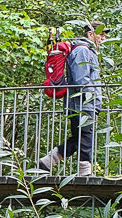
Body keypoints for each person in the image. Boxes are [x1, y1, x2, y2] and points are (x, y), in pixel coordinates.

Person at [38, 21, 104, 177]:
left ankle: (47, 161)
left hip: (80, 102)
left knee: (79, 138)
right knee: (86, 137)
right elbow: (82, 79)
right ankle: (85, 173)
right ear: (90, 34)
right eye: (101, 34)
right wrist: (92, 98)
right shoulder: (82, 50)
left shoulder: (85, 50)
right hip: (82, 103)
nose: (103, 38)